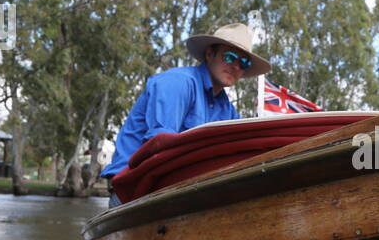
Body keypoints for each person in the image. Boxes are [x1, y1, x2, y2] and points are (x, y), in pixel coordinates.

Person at [101, 23, 269, 207]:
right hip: (131, 191)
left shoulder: (227, 110)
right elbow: (158, 147)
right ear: (209, 54)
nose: (236, 66)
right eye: (229, 56)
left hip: (179, 191)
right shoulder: (177, 83)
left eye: (243, 62)